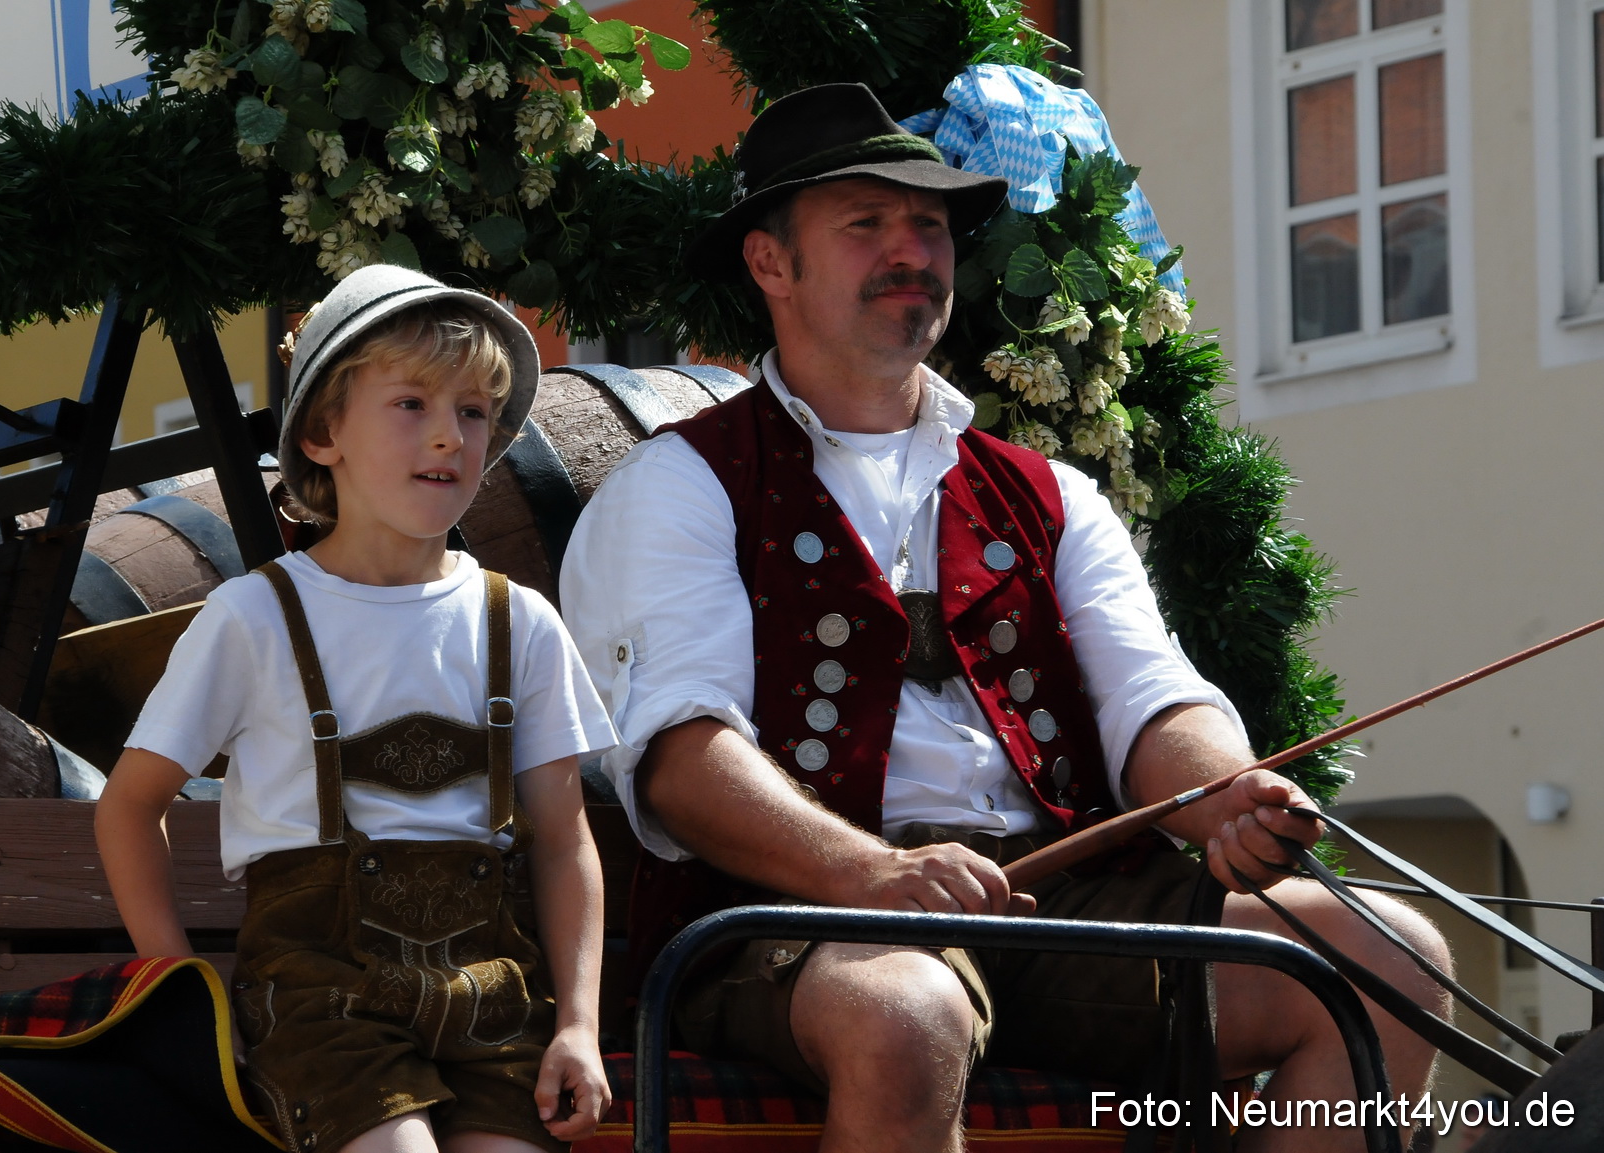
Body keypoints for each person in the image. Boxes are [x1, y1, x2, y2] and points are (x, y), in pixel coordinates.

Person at [560, 84, 1450, 1153]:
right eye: (866, 223)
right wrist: (871, 875)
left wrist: (1227, 794)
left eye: (930, 226)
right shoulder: (680, 485)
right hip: (795, 914)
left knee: (1390, 961)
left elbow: (1148, 696)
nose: (912, 250)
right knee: (906, 1013)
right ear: (770, 263)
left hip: (1056, 899)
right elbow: (680, 757)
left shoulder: (1048, 492)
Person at [97, 265, 616, 1153]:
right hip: (318, 1000)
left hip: (493, 998)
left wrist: (578, 1023)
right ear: (323, 432)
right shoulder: (254, 616)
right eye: (411, 403)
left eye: (473, 410)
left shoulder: (519, 621)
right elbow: (128, 806)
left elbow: (565, 840)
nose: (449, 434)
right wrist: (184, 988)